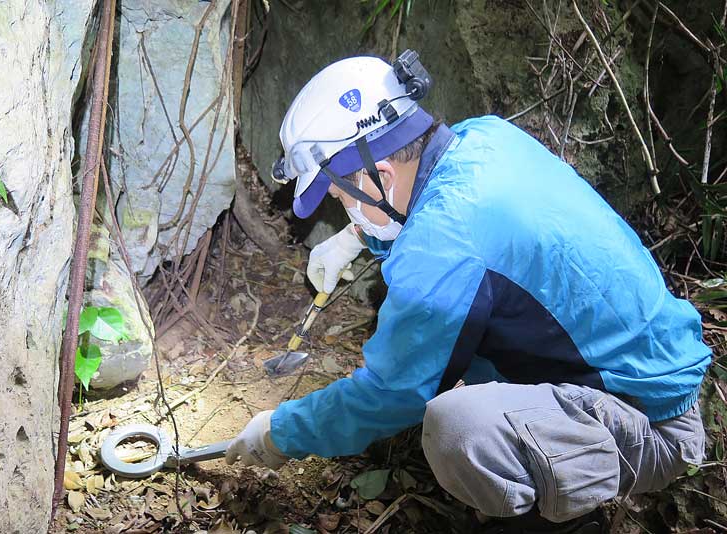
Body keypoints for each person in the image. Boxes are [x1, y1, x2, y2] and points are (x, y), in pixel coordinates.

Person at [224, 50, 710, 532]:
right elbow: (442, 226)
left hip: (652, 421)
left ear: (381, 176)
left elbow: (391, 393)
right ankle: (552, 458)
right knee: (455, 348)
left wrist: (280, 432)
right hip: (653, 363)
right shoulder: (484, 137)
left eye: (339, 196)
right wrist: (357, 236)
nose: (339, 205)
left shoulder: (442, 243)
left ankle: (559, 521)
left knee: (459, 428)